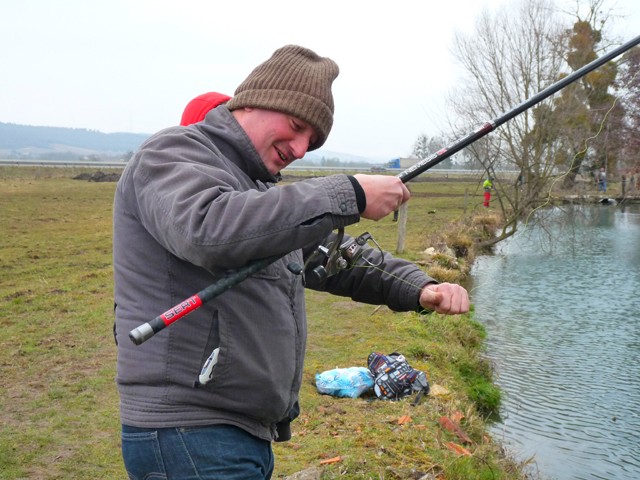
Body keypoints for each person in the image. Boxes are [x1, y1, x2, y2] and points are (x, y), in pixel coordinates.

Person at [112, 44, 470, 480]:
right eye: (297, 127)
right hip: (190, 431)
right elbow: (207, 230)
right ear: (258, 100)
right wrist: (350, 194)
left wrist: (418, 287)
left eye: (313, 142)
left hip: (238, 434)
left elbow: (336, 258)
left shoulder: (258, 192)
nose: (301, 149)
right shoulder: (170, 153)